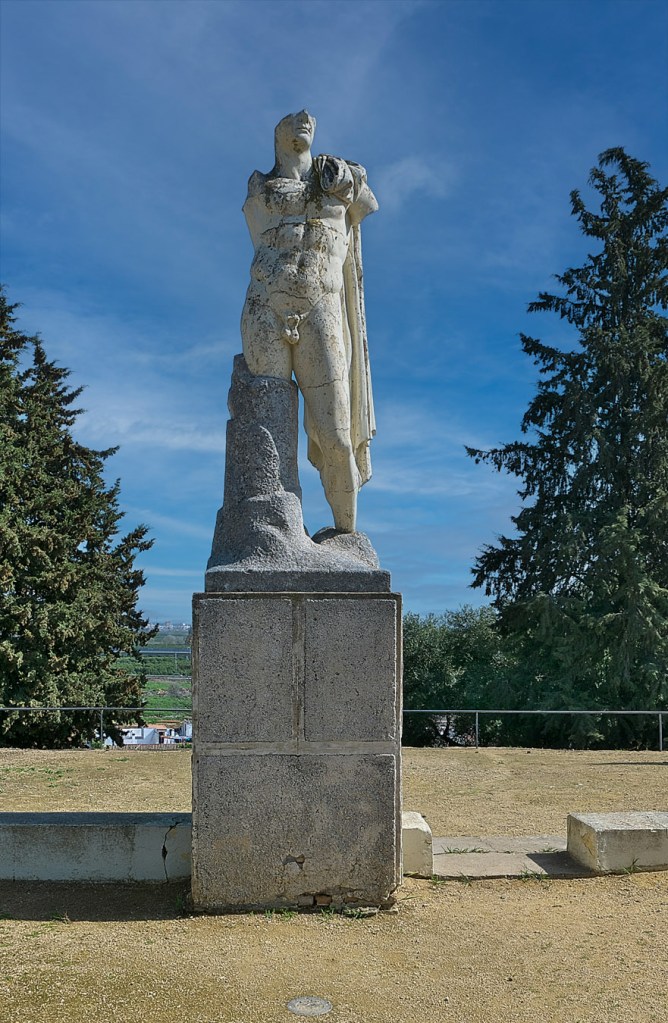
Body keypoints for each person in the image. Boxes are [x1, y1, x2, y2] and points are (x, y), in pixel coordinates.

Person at [241, 110, 378, 533]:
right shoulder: (260, 185)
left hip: (322, 306)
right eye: (291, 119)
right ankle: (273, 531)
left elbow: (366, 203)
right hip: (265, 301)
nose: (304, 118)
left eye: (308, 120)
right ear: (276, 133)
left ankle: (346, 535)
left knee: (335, 432)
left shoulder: (338, 177)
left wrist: (348, 177)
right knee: (266, 425)